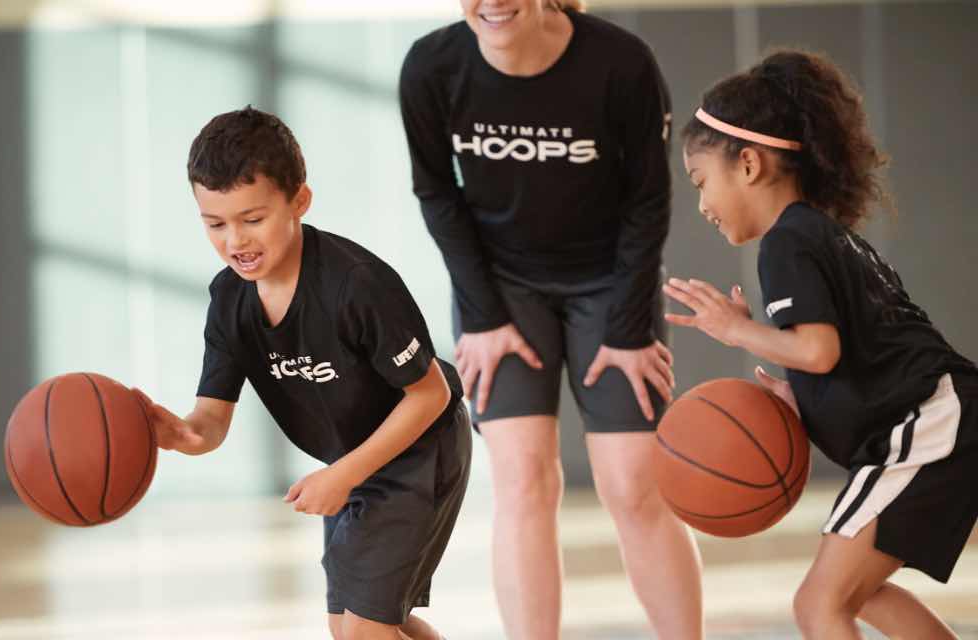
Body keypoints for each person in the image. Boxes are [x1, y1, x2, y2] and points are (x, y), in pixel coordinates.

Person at [399, 1, 702, 637]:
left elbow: (649, 202)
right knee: (523, 481)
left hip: (610, 282)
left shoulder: (620, 64)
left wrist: (627, 331)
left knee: (633, 485)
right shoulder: (432, 67)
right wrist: (481, 318)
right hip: (503, 292)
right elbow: (437, 196)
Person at [666, 49, 978, 640]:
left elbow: (820, 351)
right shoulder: (821, 234)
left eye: (701, 181)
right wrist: (806, 396)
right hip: (944, 416)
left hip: (928, 426)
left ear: (750, 165)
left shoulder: (786, 243)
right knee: (860, 594)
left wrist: (734, 329)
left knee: (818, 605)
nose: (702, 204)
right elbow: (855, 355)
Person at [139, 106, 471, 640]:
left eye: (253, 219)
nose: (235, 241)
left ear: (299, 201)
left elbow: (429, 394)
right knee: (355, 627)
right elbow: (212, 419)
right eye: (215, 224)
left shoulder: (356, 284)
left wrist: (344, 474)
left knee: (365, 629)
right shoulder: (228, 301)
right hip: (354, 460)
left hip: (419, 450)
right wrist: (179, 434)